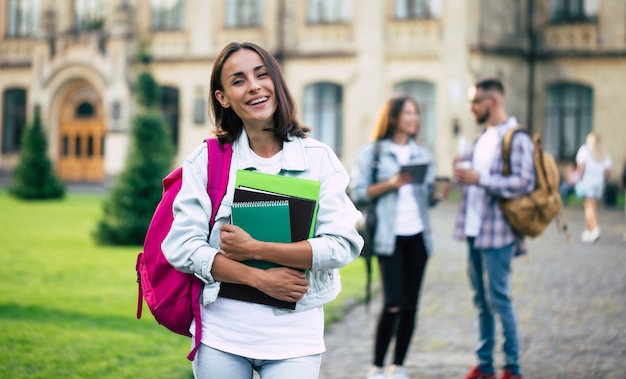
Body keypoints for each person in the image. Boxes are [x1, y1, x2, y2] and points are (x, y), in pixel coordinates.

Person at [162, 42, 363, 379]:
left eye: (261, 74)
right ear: (223, 97)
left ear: (276, 82)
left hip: (295, 340)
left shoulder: (318, 159)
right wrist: (260, 278)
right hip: (222, 336)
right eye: (238, 80)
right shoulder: (207, 160)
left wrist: (256, 249)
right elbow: (181, 247)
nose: (254, 86)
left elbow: (343, 244)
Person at [349, 96, 447, 379]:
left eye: (416, 113)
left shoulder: (422, 154)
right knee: (392, 303)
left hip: (419, 238)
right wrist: (391, 184)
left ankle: (398, 366)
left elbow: (425, 199)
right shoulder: (374, 153)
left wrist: (435, 195)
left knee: (411, 304)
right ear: (393, 117)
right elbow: (357, 193)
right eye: (408, 113)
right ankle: (377, 367)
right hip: (389, 238)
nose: (414, 118)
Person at [453, 78, 534, 379]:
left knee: (499, 298)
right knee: (480, 301)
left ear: (494, 101)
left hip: (499, 233)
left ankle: (512, 367)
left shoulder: (516, 138)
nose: (471, 108)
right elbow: (475, 178)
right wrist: (463, 173)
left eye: (476, 102)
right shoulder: (481, 137)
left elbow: (525, 183)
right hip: (474, 230)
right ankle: (485, 364)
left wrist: (480, 179)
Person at [574, 131, 612, 243]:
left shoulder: (585, 150)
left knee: (589, 206)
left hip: (588, 180)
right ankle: (588, 231)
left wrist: (577, 177)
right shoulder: (603, 153)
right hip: (599, 181)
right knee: (591, 205)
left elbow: (580, 167)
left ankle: (595, 228)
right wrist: (603, 179)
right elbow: (608, 171)